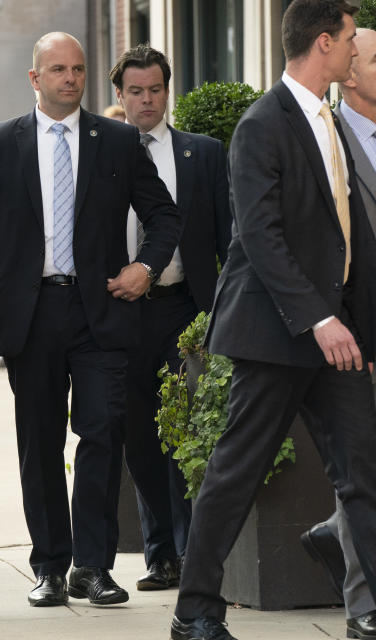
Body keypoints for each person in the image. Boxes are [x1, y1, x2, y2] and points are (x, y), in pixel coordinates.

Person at [171, 2, 376, 639]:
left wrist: (362, 331)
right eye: (350, 41)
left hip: (334, 336)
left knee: (364, 474)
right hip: (276, 334)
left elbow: (350, 238)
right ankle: (194, 613)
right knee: (234, 473)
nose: (355, 52)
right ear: (324, 43)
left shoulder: (330, 121)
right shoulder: (263, 123)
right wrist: (318, 319)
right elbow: (260, 237)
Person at [0, 32, 181, 609]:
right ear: (34, 78)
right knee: (38, 443)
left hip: (102, 313)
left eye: (79, 69)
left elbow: (164, 215)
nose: (70, 78)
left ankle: (93, 565)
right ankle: (49, 566)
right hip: (31, 314)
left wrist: (145, 267)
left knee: (102, 432)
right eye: (58, 70)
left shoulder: (115, 139)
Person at [109, 44, 232, 592]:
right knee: (139, 436)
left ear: (167, 89)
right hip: (121, 312)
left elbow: (229, 235)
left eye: (155, 89)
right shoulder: (101, 152)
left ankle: (189, 550)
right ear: (120, 96)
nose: (147, 100)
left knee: (187, 432)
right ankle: (160, 554)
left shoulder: (203, 154)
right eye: (135, 91)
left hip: (187, 309)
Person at [298, 27, 376, 640]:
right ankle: (363, 605)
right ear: (349, 72)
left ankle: (331, 533)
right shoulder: (325, 135)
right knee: (364, 470)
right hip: (353, 328)